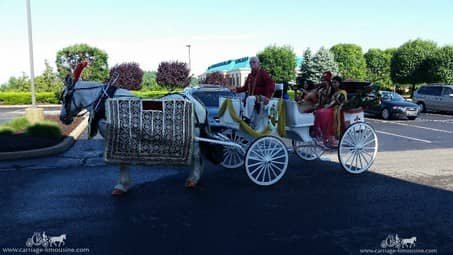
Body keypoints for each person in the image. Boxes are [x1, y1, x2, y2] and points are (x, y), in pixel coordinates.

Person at [233, 56, 275, 121]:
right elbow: (245, 88)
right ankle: (242, 117)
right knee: (239, 99)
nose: (252, 64)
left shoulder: (263, 73)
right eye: (250, 63)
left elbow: (271, 85)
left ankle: (246, 118)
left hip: (262, 97)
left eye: (254, 62)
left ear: (259, 64)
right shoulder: (250, 76)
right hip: (253, 98)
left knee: (250, 98)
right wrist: (236, 89)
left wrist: (267, 97)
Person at [314, 73, 348, 147]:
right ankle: (321, 135)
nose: (333, 84)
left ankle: (329, 137)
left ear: (339, 83)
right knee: (318, 111)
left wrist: (326, 106)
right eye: (332, 82)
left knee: (321, 112)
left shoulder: (342, 92)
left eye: (335, 82)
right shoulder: (332, 91)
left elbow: (336, 102)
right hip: (330, 108)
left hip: (337, 109)